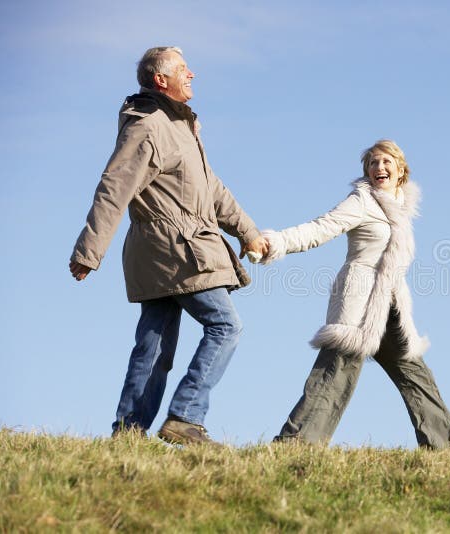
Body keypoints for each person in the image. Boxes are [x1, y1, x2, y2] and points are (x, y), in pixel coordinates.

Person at [69, 46, 268, 446]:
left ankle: (129, 432)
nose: (192, 73)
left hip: (170, 249)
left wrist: (247, 231)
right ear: (161, 80)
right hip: (176, 249)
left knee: (154, 343)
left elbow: (212, 189)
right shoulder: (148, 126)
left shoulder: (181, 126)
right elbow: (115, 187)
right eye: (183, 69)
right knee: (226, 326)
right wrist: (89, 251)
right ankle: (185, 416)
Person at [262, 139, 450, 448]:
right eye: (372, 163)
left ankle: (449, 449)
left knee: (416, 374)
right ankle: (296, 442)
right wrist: (275, 242)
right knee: (337, 370)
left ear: (401, 170)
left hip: (390, 302)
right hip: (358, 297)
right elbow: (320, 228)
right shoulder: (362, 200)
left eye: (385, 162)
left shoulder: (400, 208)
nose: (378, 167)